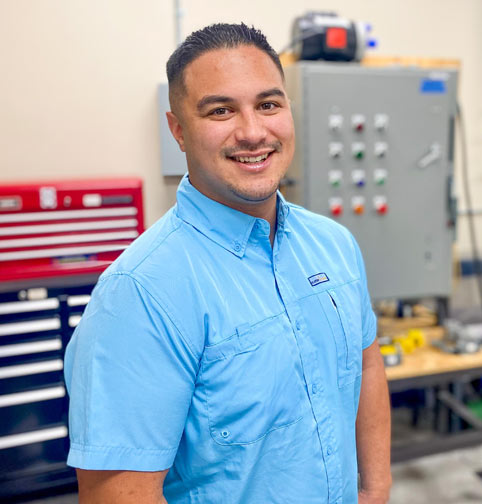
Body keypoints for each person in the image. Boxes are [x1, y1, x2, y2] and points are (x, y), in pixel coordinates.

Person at [64, 23, 391, 504]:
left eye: (268, 104)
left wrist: (376, 490)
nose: (253, 132)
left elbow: (365, 365)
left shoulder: (334, 244)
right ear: (178, 130)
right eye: (221, 110)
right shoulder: (140, 295)